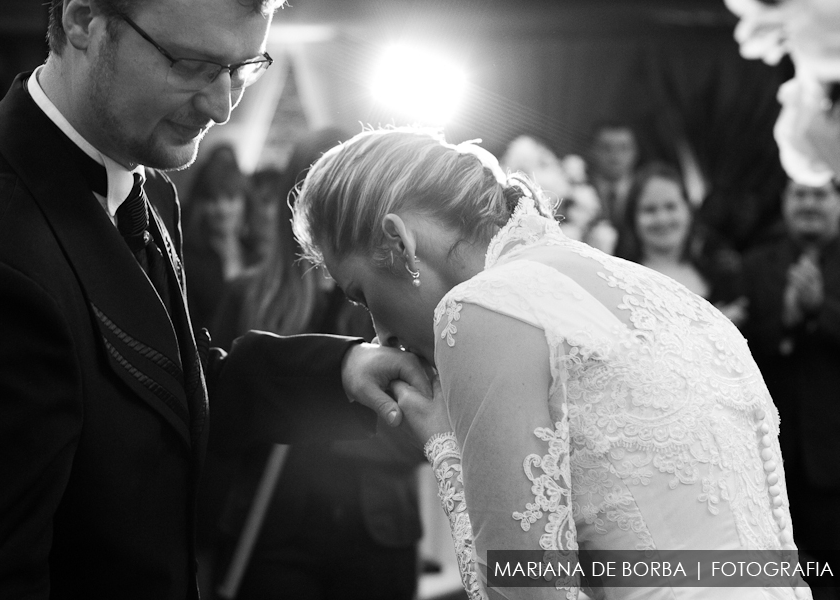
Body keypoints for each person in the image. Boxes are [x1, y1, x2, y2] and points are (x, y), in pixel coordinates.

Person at [0, 2, 429, 599]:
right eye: (194, 65)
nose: (222, 106)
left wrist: (345, 370)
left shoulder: (143, 185)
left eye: (244, 69)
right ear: (83, 20)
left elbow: (169, 389)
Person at [292, 127, 811, 600]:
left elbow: (525, 592)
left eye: (361, 295)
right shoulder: (667, 293)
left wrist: (443, 444)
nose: (380, 336)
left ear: (399, 242)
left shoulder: (480, 306)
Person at [201, 126, 425, 600]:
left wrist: (302, 417)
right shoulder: (249, 295)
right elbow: (219, 412)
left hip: (379, 529)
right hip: (271, 533)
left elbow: (424, 433)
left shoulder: (404, 306)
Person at [739, 178, 840, 600]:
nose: (809, 203)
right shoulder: (756, 263)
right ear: (784, 201)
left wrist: (821, 310)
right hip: (771, 461)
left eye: (820, 194)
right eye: (800, 194)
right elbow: (743, 348)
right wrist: (785, 321)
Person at [613, 161, 746, 322]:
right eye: (649, 209)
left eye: (671, 207)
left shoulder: (721, 275)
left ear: (688, 210)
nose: (662, 219)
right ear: (632, 218)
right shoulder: (619, 282)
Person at [182, 142, 254, 330]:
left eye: (230, 198)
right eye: (213, 200)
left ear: (244, 201)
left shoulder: (256, 253)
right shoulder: (187, 260)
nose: (222, 209)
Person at [586, 120, 641, 231]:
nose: (615, 156)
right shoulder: (578, 189)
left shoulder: (644, 190)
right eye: (606, 148)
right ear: (592, 150)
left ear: (636, 152)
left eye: (623, 148)